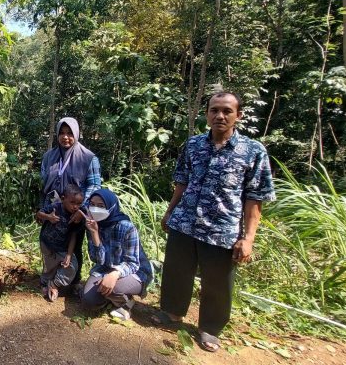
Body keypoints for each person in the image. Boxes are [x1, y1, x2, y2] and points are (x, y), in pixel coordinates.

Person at [153, 92, 275, 352]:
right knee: (177, 271)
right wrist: (170, 212)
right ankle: (172, 313)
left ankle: (210, 328)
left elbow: (255, 198)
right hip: (185, 221)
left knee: (218, 282)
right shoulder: (194, 145)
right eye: (214, 110)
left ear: (238, 115)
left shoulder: (252, 151)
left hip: (222, 228)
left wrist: (248, 238)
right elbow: (182, 182)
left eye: (227, 111)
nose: (220, 115)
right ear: (206, 114)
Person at [40, 117, 102, 288]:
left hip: (76, 211)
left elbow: (95, 185)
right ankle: (51, 278)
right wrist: (44, 210)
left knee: (74, 244)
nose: (65, 137)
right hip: (53, 209)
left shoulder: (88, 157)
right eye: (62, 133)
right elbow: (43, 183)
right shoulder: (49, 156)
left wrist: (80, 209)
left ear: (76, 134)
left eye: (69, 133)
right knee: (50, 242)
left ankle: (72, 282)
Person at [80, 189, 153, 320]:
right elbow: (97, 260)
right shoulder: (92, 225)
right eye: (92, 204)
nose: (95, 209)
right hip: (105, 268)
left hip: (135, 271)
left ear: (111, 206)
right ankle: (110, 298)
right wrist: (95, 234)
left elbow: (133, 263)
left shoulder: (126, 227)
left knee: (113, 287)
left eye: (101, 206)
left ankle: (126, 302)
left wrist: (114, 274)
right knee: (88, 302)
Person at [35, 184, 83, 302]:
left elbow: (73, 236)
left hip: (62, 247)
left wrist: (69, 254)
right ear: (63, 198)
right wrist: (48, 217)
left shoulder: (76, 216)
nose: (75, 207)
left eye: (78, 204)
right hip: (46, 243)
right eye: (72, 202)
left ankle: (54, 283)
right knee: (49, 266)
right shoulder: (55, 207)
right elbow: (39, 213)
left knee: (72, 266)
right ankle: (44, 283)